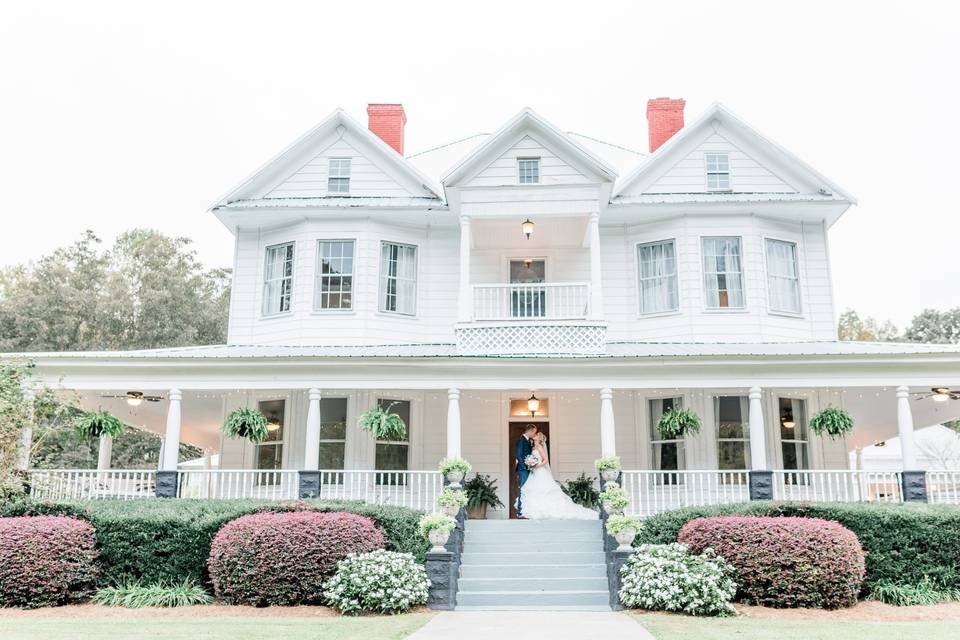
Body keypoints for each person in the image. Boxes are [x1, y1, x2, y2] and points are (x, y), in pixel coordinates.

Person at [519, 432, 598, 520]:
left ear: (539, 438)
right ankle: (536, 510)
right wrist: (530, 463)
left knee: (544, 490)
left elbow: (545, 460)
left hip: (540, 471)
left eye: (536, 435)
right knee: (534, 489)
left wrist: (537, 465)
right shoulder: (533, 447)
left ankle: (546, 511)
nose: (534, 435)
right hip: (534, 472)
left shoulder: (540, 447)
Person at [514, 424, 537, 517]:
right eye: (534, 432)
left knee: (527, 489)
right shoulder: (521, 440)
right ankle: (520, 511)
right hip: (523, 469)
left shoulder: (528, 441)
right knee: (523, 489)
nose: (534, 434)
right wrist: (525, 467)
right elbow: (519, 455)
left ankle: (526, 510)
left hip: (528, 469)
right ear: (530, 431)